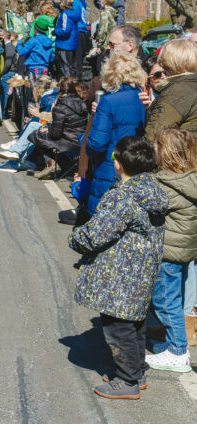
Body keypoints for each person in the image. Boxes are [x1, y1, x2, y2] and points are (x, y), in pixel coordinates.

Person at [69, 135, 168, 400]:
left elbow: (95, 234)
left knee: (117, 327)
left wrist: (75, 238)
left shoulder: (122, 197)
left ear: (118, 164)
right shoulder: (153, 190)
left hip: (119, 274)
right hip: (141, 271)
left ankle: (127, 381)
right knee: (134, 324)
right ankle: (136, 371)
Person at [78, 52, 148, 224]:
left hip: (110, 167)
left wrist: (84, 141)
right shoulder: (144, 100)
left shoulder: (108, 102)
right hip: (138, 166)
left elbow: (97, 144)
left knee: (104, 220)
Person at [148, 129, 197, 373]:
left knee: (166, 302)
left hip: (169, 251)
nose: (153, 149)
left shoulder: (166, 183)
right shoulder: (189, 178)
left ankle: (178, 351)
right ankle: (172, 344)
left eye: (156, 146)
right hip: (183, 249)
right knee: (173, 299)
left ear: (166, 152)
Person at [27, 76, 89, 179]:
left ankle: (51, 164)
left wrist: (48, 130)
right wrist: (49, 128)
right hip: (81, 140)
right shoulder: (83, 102)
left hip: (69, 142)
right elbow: (71, 125)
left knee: (36, 135)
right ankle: (59, 164)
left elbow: (55, 134)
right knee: (43, 133)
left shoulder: (61, 106)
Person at [0, 76, 57, 173]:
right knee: (33, 126)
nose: (32, 90)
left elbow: (52, 119)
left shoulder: (48, 99)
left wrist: (38, 115)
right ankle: (15, 159)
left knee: (34, 126)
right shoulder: (50, 96)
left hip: (57, 131)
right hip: (54, 128)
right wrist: (37, 116)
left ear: (38, 89)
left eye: (34, 88)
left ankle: (15, 151)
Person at [143, 38, 197, 140]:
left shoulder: (176, 93)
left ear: (167, 62)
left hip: (181, 149)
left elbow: (153, 137)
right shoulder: (191, 84)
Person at [53, 0, 81, 79]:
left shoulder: (65, 14)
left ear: (63, 4)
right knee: (72, 68)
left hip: (64, 45)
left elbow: (65, 31)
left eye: (61, 2)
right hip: (72, 45)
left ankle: (69, 85)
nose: (59, 4)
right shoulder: (74, 13)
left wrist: (56, 32)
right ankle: (74, 83)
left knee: (66, 69)